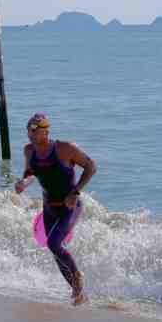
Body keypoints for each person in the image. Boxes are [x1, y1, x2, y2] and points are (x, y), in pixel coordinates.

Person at [14, 112, 97, 306]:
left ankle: (77, 276)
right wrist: (23, 183)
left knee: (53, 244)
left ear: (45, 131)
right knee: (55, 250)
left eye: (35, 131)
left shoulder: (65, 149)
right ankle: (79, 295)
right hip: (49, 208)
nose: (30, 134)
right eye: (28, 130)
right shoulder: (28, 150)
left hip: (70, 206)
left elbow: (91, 166)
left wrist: (75, 191)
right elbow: (30, 172)